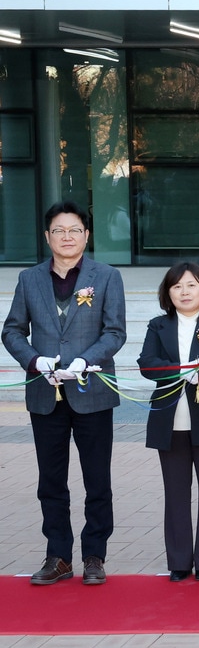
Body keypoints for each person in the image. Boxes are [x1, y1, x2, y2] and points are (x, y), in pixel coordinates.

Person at [3, 201, 127, 586]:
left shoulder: (106, 276)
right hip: (45, 394)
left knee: (97, 480)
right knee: (51, 481)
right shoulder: (29, 279)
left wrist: (85, 361)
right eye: (59, 230)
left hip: (91, 391)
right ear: (47, 237)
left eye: (74, 230)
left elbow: (115, 332)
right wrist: (34, 361)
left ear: (86, 235)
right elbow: (11, 330)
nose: (67, 237)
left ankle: (94, 555)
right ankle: (58, 555)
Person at [137, 263, 199, 581]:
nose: (184, 291)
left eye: (192, 285)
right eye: (177, 286)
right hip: (170, 419)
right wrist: (181, 369)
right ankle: (179, 561)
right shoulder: (158, 325)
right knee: (176, 493)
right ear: (167, 292)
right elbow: (147, 364)